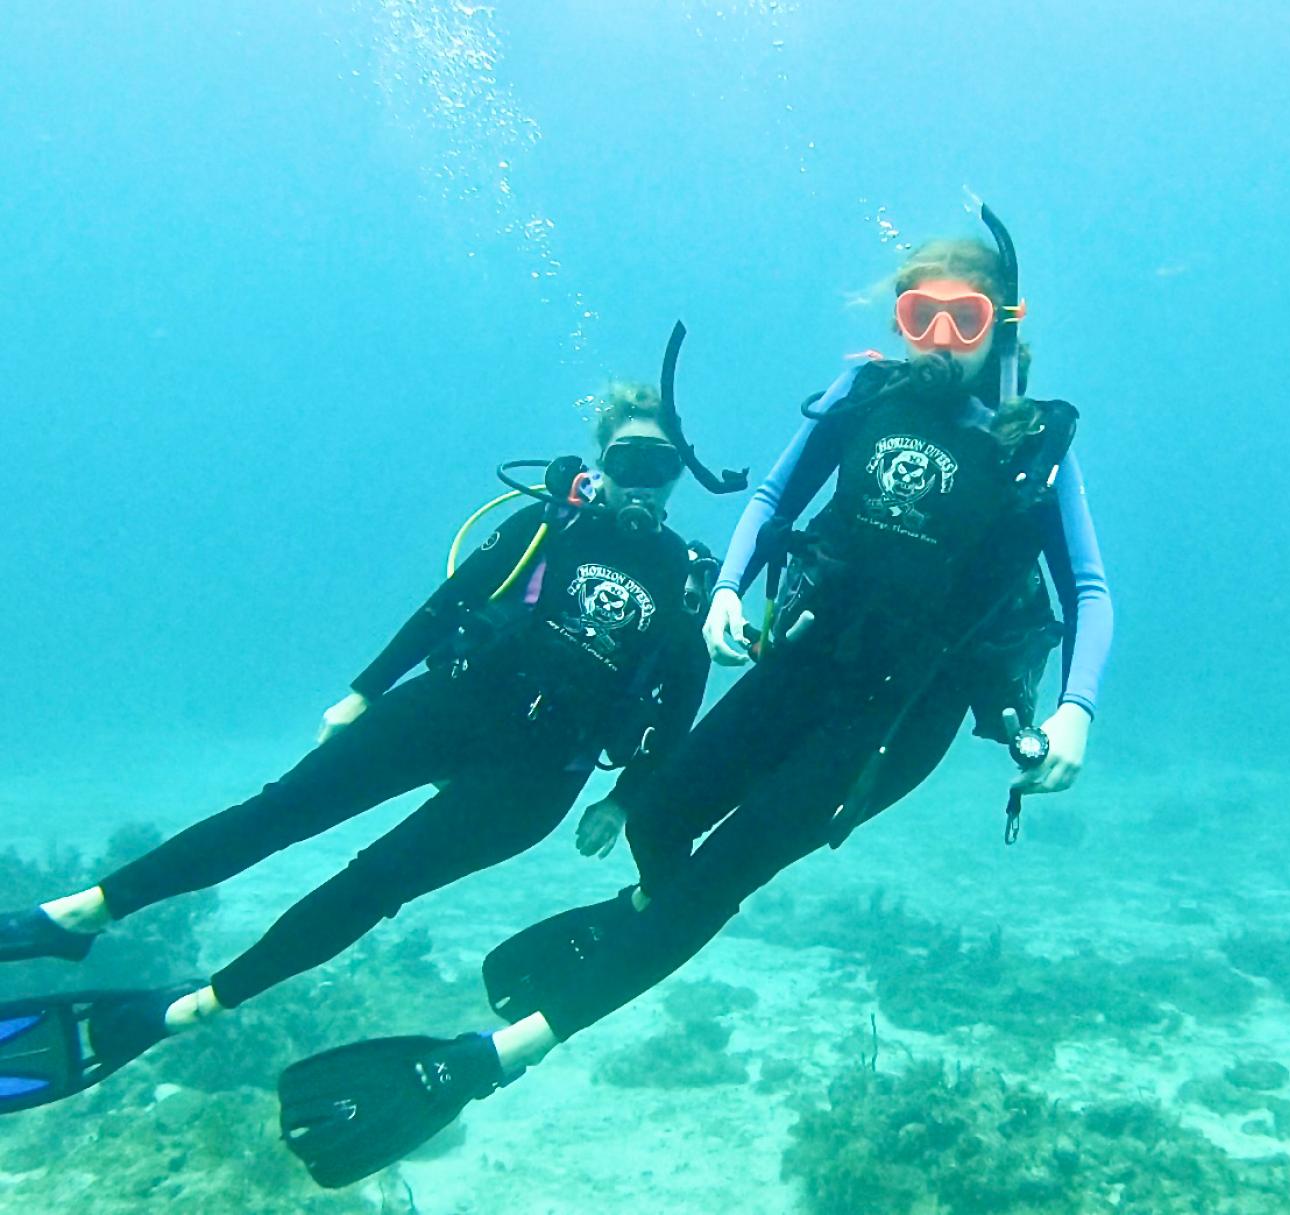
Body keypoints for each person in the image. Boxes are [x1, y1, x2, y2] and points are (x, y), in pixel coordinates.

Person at [275, 207, 1115, 1190]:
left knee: (728, 865)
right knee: (663, 814)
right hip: (799, 662)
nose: (933, 341)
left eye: (961, 321)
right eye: (915, 315)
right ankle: (639, 913)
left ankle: (495, 1055)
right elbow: (769, 499)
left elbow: (1088, 589)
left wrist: (1074, 710)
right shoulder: (861, 395)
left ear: (999, 329)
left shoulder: (1031, 453)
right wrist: (723, 590)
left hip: (893, 714)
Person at [0, 380, 715, 1116]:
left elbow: (684, 697)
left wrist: (624, 797)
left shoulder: (684, 577)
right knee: (279, 812)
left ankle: (199, 1005)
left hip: (535, 776)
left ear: (679, 474)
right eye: (628, 458)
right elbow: (450, 604)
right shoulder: (549, 524)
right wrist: (365, 689)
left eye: (661, 464)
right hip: (454, 703)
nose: (642, 479)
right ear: (601, 459)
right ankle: (79, 915)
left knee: (374, 883)